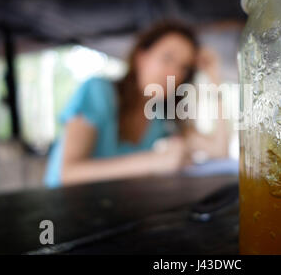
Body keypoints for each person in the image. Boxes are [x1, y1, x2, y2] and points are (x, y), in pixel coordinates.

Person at [45, 21, 229, 187]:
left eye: (183, 67)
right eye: (167, 58)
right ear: (141, 58)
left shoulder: (161, 117)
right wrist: (154, 162)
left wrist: (214, 79)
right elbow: (68, 174)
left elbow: (219, 150)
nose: (175, 73)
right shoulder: (98, 91)